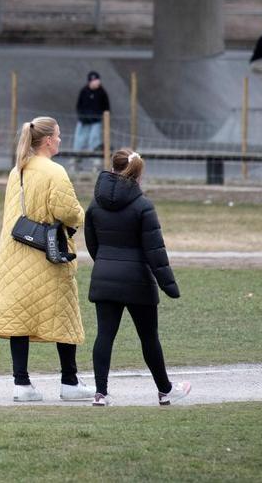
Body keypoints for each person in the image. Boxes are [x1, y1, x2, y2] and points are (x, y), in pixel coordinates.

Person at [0, 116, 88, 402]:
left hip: (15, 253)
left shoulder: (17, 170)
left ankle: (22, 384)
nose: (61, 140)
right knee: (64, 314)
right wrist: (80, 215)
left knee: (19, 318)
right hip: (47, 254)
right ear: (49, 140)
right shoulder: (55, 172)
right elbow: (68, 211)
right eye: (59, 135)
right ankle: (69, 382)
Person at [85, 148, 191, 407]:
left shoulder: (95, 203)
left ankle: (101, 393)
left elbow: (92, 244)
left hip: (105, 277)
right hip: (137, 281)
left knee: (104, 335)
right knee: (149, 337)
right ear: (138, 174)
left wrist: (107, 263)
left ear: (112, 167)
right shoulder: (143, 206)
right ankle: (165, 390)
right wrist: (170, 286)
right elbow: (155, 252)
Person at [74, 71, 110, 153]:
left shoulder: (102, 92)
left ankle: (95, 161)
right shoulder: (84, 91)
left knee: (94, 139)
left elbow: (106, 107)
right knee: (80, 139)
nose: (97, 82)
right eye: (95, 81)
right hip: (84, 120)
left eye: (98, 80)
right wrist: (81, 117)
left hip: (96, 121)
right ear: (90, 81)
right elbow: (79, 105)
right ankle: (76, 159)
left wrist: (102, 116)